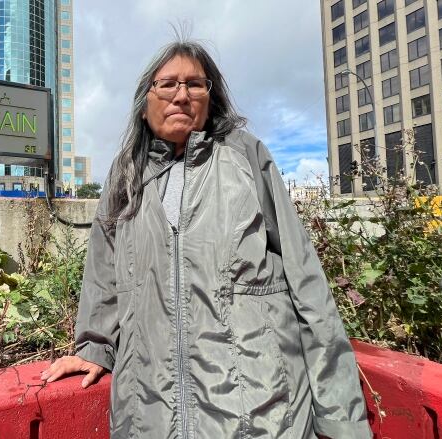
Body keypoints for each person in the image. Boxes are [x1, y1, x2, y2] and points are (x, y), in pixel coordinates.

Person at [40, 39, 371, 438]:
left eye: (195, 84)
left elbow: (308, 285)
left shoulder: (247, 157)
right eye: (168, 84)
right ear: (145, 104)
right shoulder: (125, 175)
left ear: (211, 99)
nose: (182, 95)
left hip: (261, 412)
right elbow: (103, 275)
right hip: (150, 413)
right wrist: (94, 347)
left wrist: (341, 421)